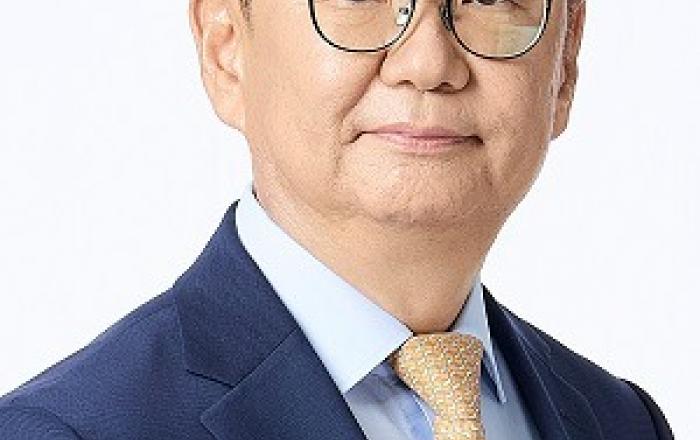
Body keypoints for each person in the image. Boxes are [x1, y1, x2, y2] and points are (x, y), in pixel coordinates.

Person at [0, 0, 674, 437]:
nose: (428, 63)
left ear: (565, 63)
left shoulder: (621, 422)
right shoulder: (64, 431)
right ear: (225, 46)